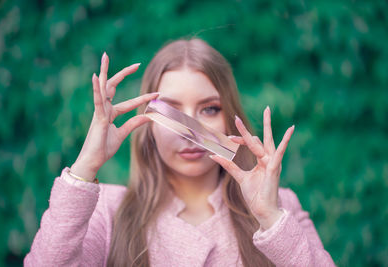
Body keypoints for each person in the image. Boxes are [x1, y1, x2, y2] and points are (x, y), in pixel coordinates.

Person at [24, 39, 335, 267]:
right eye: (171, 112)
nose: (190, 131)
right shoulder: (107, 211)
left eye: (210, 109)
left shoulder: (282, 207)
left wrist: (269, 217)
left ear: (230, 117)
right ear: (146, 123)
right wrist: (85, 167)